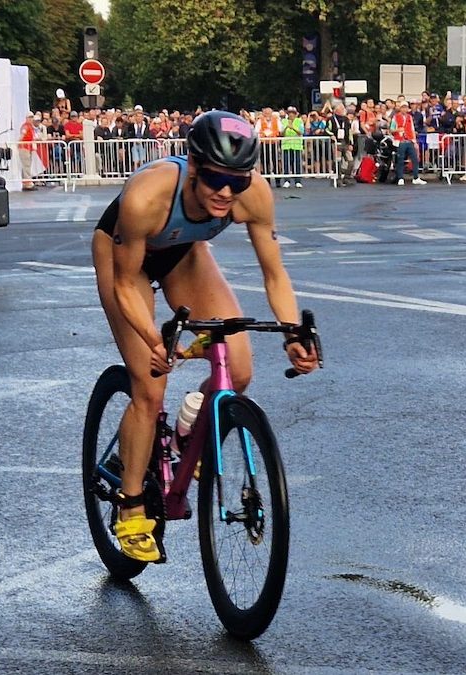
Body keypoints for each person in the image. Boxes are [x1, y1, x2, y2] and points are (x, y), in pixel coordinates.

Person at [91, 111, 319, 562]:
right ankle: (131, 502)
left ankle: (184, 436)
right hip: (126, 260)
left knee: (237, 369)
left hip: (184, 253)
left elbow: (274, 273)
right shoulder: (148, 195)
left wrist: (293, 332)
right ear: (193, 166)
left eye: (237, 181)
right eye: (215, 178)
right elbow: (124, 284)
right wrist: (153, 340)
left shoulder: (252, 196)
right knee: (150, 385)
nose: (225, 192)